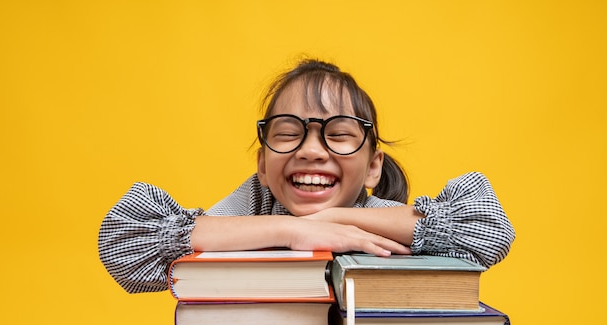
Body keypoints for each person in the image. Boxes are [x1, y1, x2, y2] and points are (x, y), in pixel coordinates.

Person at [98, 59, 515, 294]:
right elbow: (124, 244)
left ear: (373, 166)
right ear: (262, 164)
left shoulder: (376, 213)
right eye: (287, 133)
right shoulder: (254, 205)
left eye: (338, 134)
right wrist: (292, 231)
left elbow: (489, 232)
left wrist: (332, 220)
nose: (312, 150)